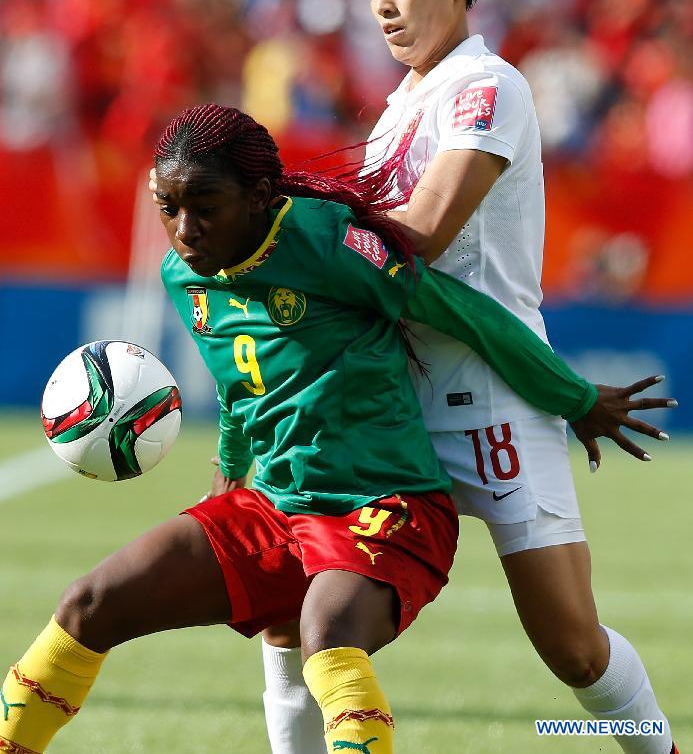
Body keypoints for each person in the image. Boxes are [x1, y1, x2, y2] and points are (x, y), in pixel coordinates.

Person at [0, 105, 671, 754]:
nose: (185, 228)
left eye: (205, 206)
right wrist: (232, 461)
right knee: (88, 604)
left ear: (260, 195)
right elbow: (237, 380)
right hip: (277, 507)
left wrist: (574, 396)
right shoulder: (183, 273)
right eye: (169, 207)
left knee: (327, 633)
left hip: (388, 507)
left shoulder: (328, 242)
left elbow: (462, 312)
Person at [254, 0, 679, 754]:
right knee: (297, 612)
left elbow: (421, 234)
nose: (384, 3)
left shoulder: (486, 86)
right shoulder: (394, 112)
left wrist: (282, 232)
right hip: (393, 414)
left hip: (494, 400)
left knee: (571, 649)